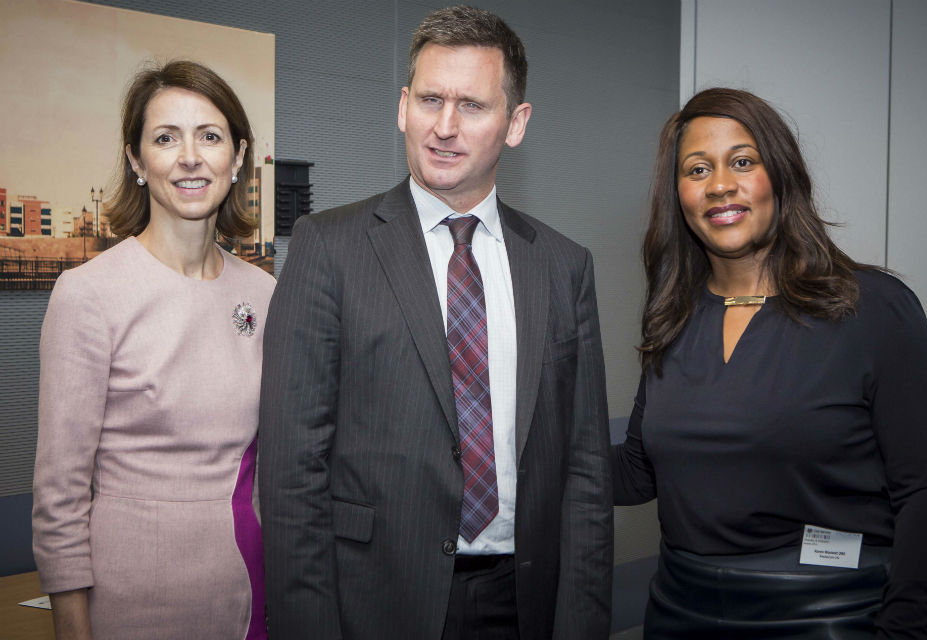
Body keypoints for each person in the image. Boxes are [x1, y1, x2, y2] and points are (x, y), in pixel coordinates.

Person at [258, 6, 612, 639]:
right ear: (402, 107)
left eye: (472, 106)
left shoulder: (563, 266)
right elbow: (292, 474)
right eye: (430, 99)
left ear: (516, 123)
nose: (444, 127)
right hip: (373, 601)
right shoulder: (328, 247)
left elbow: (585, 470)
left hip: (523, 599)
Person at [612, 87, 927, 638]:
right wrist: (508, 456)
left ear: (781, 174)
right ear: (679, 194)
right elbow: (636, 472)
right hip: (680, 612)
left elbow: (926, 495)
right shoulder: (671, 317)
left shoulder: (873, 309)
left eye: (742, 162)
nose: (720, 184)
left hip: (832, 611)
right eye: (698, 169)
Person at [32, 60, 275, 640]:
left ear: (237, 157)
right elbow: (60, 493)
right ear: (138, 161)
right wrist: (71, 626)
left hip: (250, 593)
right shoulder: (88, 294)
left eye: (209, 136)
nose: (190, 157)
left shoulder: (265, 294)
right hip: (133, 604)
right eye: (166, 138)